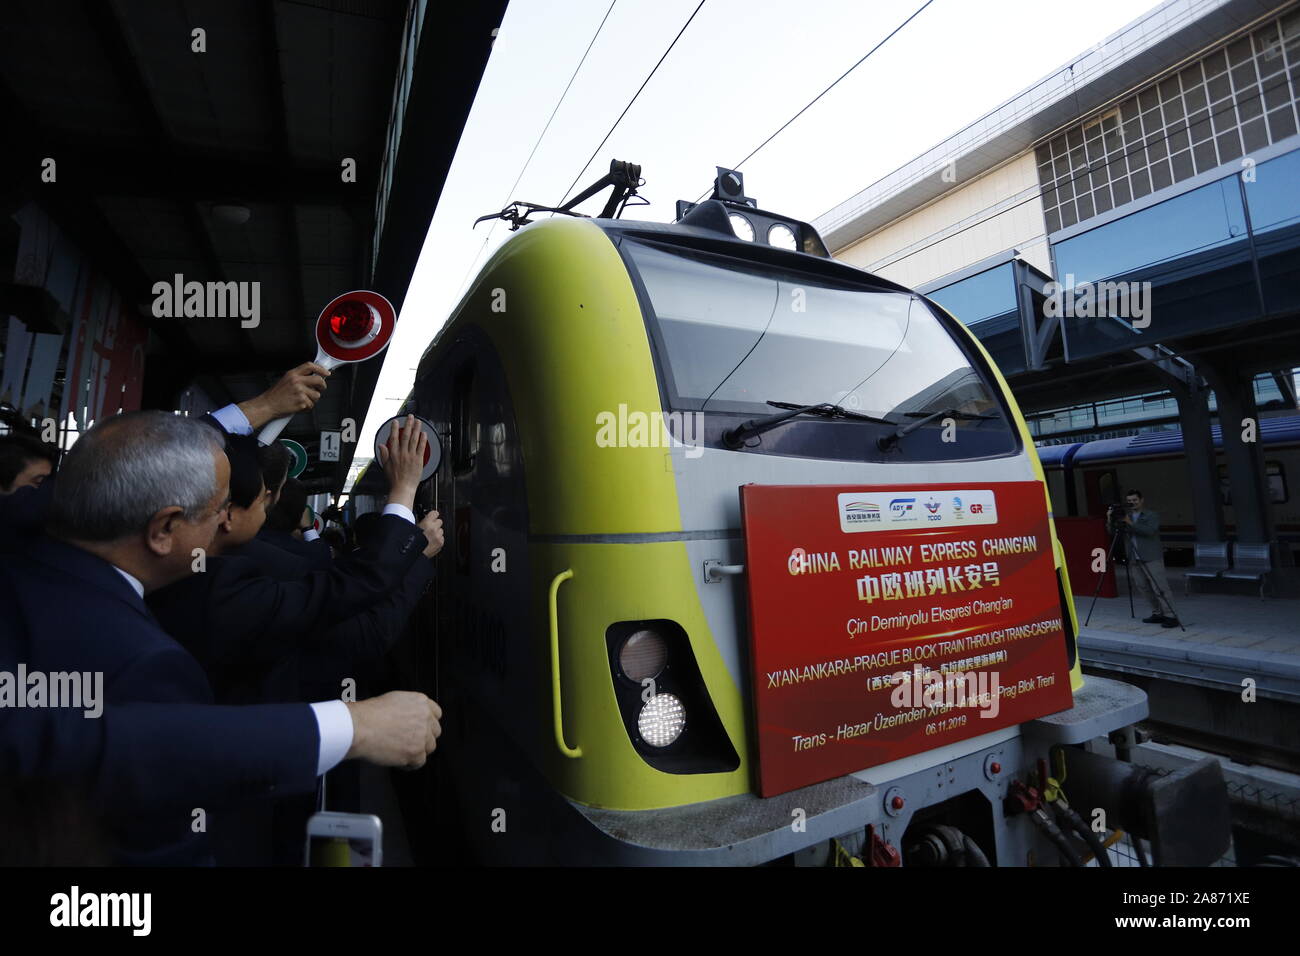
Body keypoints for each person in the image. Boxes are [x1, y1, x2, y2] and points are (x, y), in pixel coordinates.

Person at [0, 410, 443, 863]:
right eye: (218, 509)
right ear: (164, 530)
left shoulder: (21, 539)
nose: (225, 523)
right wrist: (351, 726)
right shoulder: (143, 664)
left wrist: (270, 403)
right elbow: (144, 758)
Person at [1108, 488, 1176, 627]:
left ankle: (1171, 615)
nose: (1132, 503)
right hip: (1134, 557)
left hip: (1151, 556)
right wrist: (1110, 518)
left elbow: (1149, 531)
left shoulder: (1151, 515)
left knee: (1160, 587)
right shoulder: (1126, 516)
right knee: (1143, 587)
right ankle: (1157, 612)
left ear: (1141, 500)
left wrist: (1130, 523)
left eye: (1134, 500)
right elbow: (1111, 531)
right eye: (1129, 501)